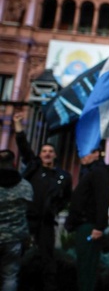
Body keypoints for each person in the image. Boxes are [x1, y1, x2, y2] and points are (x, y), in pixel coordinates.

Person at [13, 112, 72, 291]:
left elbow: (66, 197)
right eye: (44, 151)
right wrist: (17, 124)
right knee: (17, 254)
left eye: (50, 152)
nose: (47, 154)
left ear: (55, 155)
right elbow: (23, 146)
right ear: (40, 155)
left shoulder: (63, 176)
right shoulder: (34, 167)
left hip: (46, 221)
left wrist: (54, 209)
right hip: (26, 219)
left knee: (47, 258)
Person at [64, 148, 109, 291]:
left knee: (87, 267)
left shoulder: (99, 171)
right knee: (84, 266)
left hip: (90, 227)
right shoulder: (91, 171)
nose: (82, 155)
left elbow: (103, 199)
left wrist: (99, 226)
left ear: (96, 154)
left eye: (86, 152)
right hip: (85, 225)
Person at [0, 149, 33, 291]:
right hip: (14, 238)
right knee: (10, 276)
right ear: (14, 163)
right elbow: (29, 211)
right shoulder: (25, 186)